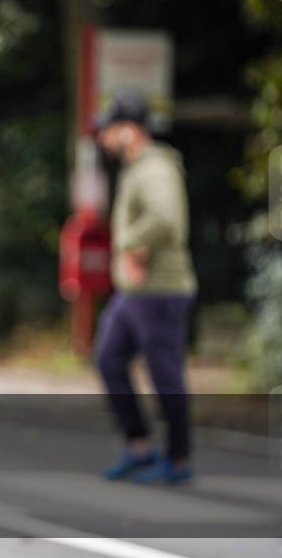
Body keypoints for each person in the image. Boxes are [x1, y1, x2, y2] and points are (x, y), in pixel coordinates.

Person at [93, 92, 198, 484]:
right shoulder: (137, 167)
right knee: (108, 358)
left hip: (160, 290)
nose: (103, 136)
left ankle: (178, 459)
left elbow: (166, 218)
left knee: (166, 376)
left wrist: (134, 248)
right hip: (135, 293)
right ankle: (139, 447)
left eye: (109, 128)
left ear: (129, 130)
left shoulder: (155, 169)